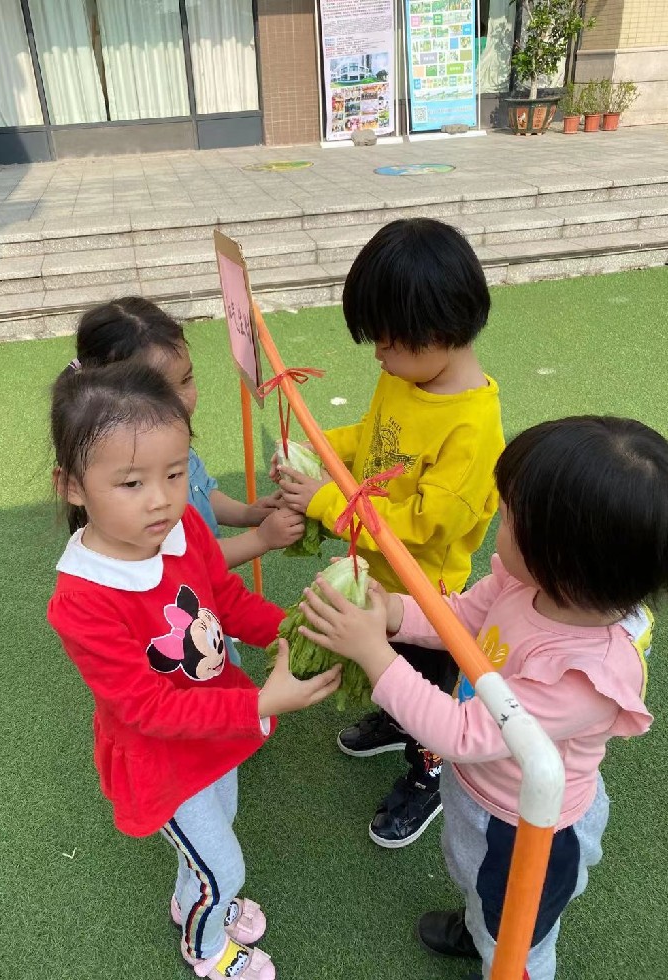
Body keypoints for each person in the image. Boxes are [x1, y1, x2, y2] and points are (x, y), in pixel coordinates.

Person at [295, 416, 665, 980]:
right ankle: (478, 927)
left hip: (526, 829)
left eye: (511, 516)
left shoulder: (584, 675)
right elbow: (463, 617)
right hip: (482, 795)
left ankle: (501, 954)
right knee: (476, 882)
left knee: (517, 935)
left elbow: (463, 733)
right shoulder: (530, 584)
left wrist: (375, 655)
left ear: (561, 557)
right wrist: (392, 613)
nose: (498, 519)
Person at [47, 361, 341, 980]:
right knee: (225, 867)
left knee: (218, 834)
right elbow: (146, 708)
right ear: (72, 486)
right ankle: (207, 952)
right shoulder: (82, 600)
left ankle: (195, 898)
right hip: (159, 757)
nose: (161, 498)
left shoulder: (181, 528)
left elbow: (225, 600)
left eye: (176, 473)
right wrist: (263, 703)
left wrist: (291, 632)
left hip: (214, 725)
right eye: (131, 482)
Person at [275, 218, 504, 847]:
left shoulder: (473, 431)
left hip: (427, 597)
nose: (377, 354)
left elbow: (420, 527)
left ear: (435, 333)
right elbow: (373, 439)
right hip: (378, 577)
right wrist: (320, 452)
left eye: (386, 340)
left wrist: (327, 500)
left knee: (426, 691)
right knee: (386, 670)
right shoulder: (406, 376)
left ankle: (428, 774)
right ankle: (394, 719)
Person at [74, 296, 305, 666]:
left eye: (186, 379)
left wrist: (248, 513)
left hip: (206, 605)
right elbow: (184, 562)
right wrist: (261, 539)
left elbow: (201, 491)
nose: (182, 400)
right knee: (205, 670)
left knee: (219, 661)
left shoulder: (169, 446)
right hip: (178, 621)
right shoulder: (135, 508)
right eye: (161, 390)